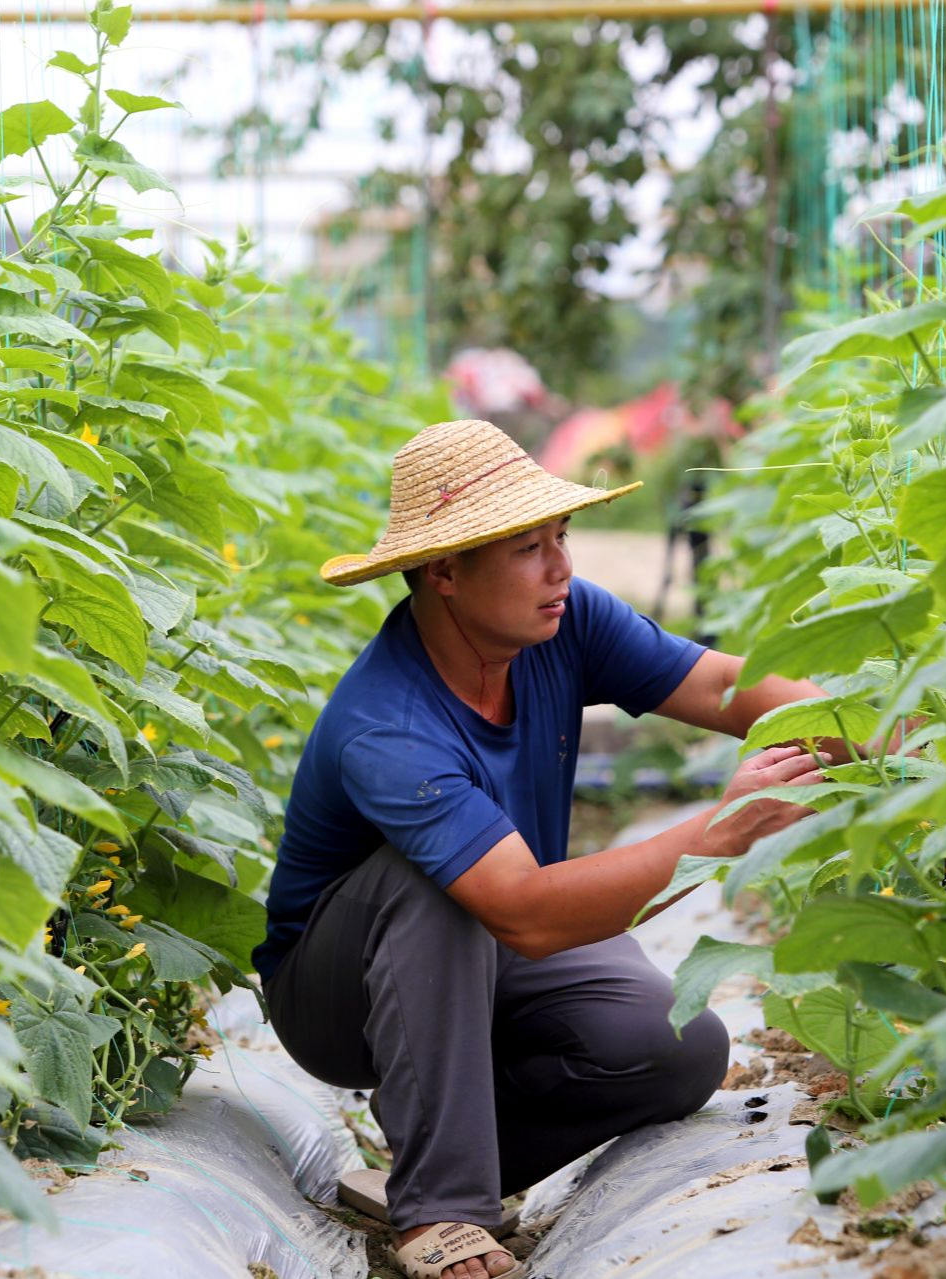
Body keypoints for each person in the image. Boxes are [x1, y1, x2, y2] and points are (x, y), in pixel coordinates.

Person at [253, 419, 856, 1279]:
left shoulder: (564, 626)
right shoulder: (388, 724)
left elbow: (725, 686)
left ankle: (427, 1158)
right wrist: (716, 835)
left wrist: (880, 730)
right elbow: (525, 910)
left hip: (488, 946)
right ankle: (441, 1211)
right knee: (440, 885)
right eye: (527, 548)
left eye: (560, 537)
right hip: (341, 990)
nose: (561, 568)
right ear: (445, 571)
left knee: (676, 1046)